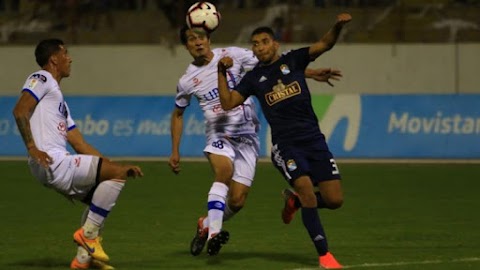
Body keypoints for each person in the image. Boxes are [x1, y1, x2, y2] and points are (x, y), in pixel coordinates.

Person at [169, 25, 342, 257]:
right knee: (223, 173)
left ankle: (206, 223)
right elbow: (178, 114)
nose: (197, 42)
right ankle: (215, 233)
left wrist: (309, 73)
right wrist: (175, 150)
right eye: (191, 40)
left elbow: (272, 67)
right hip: (219, 132)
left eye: (201, 37)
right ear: (186, 46)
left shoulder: (234, 54)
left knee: (238, 200)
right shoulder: (187, 80)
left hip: (247, 136)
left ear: (209, 39)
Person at [216, 13, 352, 269]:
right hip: (286, 146)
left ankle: (295, 202)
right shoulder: (253, 78)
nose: (259, 47)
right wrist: (221, 73)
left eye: (264, 41)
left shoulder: (294, 60)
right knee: (309, 192)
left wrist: (337, 26)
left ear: (275, 43)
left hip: (314, 140)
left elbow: (325, 44)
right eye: (255, 44)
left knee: (334, 200)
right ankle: (325, 255)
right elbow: (227, 103)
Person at [12, 38, 144, 270]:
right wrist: (33, 148)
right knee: (115, 178)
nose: (70, 58)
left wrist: (113, 165)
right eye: (65, 53)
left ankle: (83, 260)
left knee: (101, 198)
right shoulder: (41, 78)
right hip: (50, 160)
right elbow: (20, 110)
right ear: (54, 58)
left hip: (52, 162)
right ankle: (89, 237)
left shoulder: (60, 102)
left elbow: (80, 144)